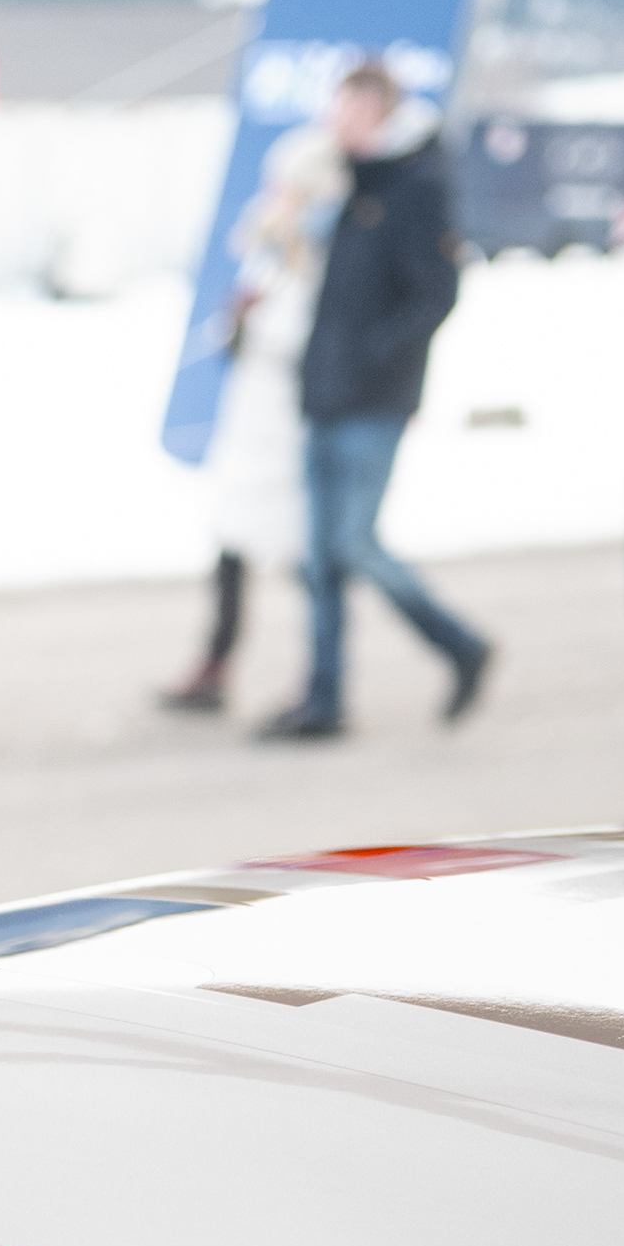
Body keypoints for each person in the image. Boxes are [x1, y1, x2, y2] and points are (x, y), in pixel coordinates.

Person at [261, 59, 493, 740]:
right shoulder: (347, 185)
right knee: (320, 559)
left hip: (371, 396)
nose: (338, 125)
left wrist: (376, 358)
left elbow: (436, 292)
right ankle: (324, 695)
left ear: (380, 114)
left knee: (353, 545)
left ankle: (458, 642)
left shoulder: (414, 186)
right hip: (326, 387)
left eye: (351, 112)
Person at [166, 116, 337, 711]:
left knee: (305, 561)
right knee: (234, 547)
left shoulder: (320, 259)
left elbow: (302, 338)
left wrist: (258, 319)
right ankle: (217, 664)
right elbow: (232, 334)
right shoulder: (269, 253)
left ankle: (320, 677)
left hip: (289, 426)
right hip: (252, 423)